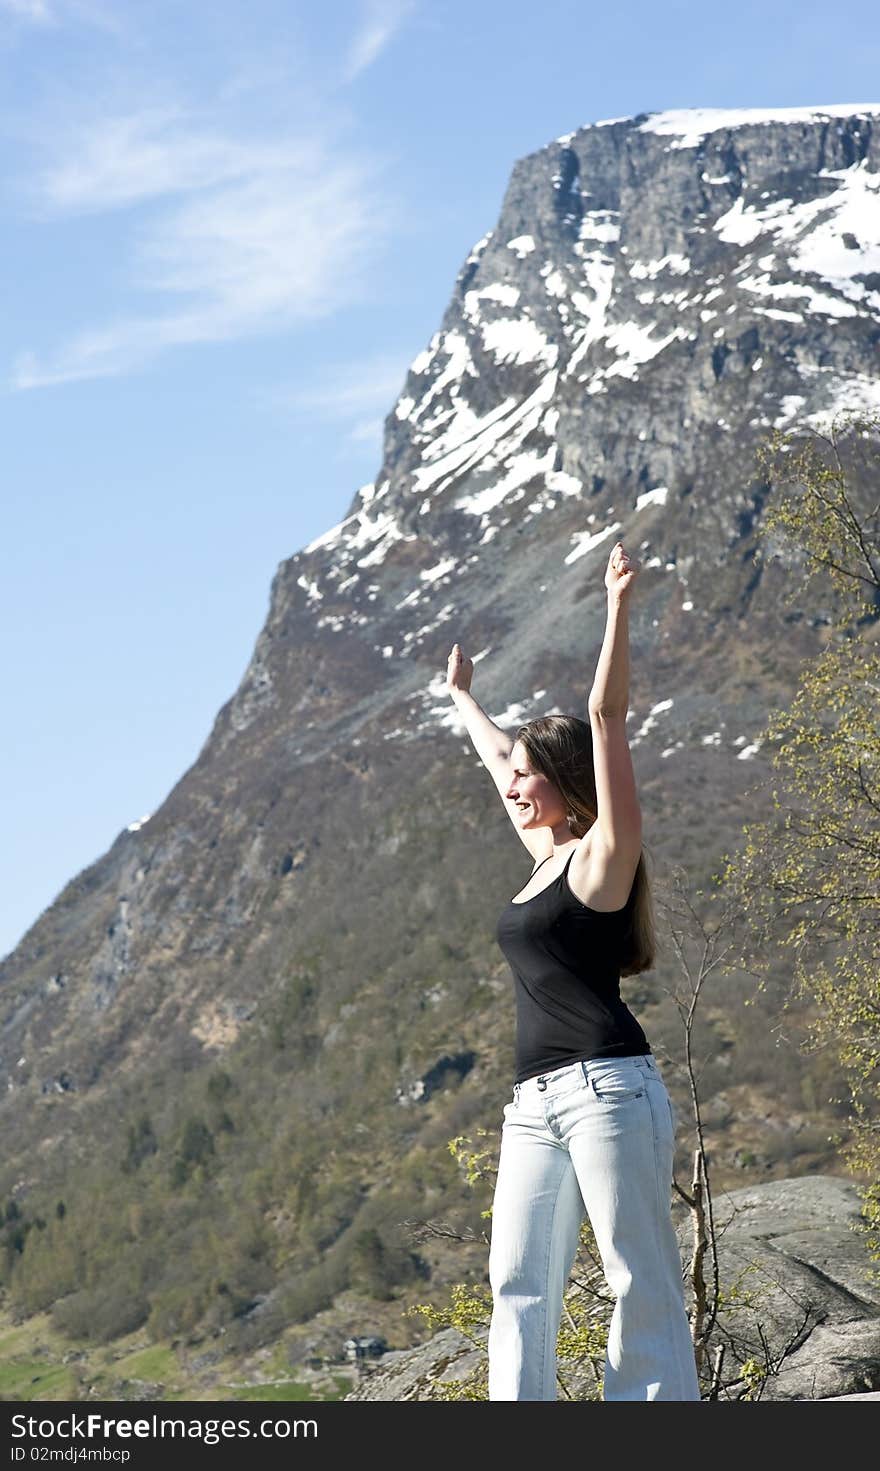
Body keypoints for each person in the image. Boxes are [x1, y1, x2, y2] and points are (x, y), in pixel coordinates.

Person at [445, 539, 701, 1402]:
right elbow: (492, 765)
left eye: (527, 774)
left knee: (639, 1279)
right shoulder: (543, 856)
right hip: (532, 1103)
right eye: (514, 774)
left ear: (562, 782)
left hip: (608, 1090)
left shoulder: (602, 860)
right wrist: (464, 701)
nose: (513, 786)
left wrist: (619, 606)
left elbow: (607, 719)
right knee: (515, 1287)